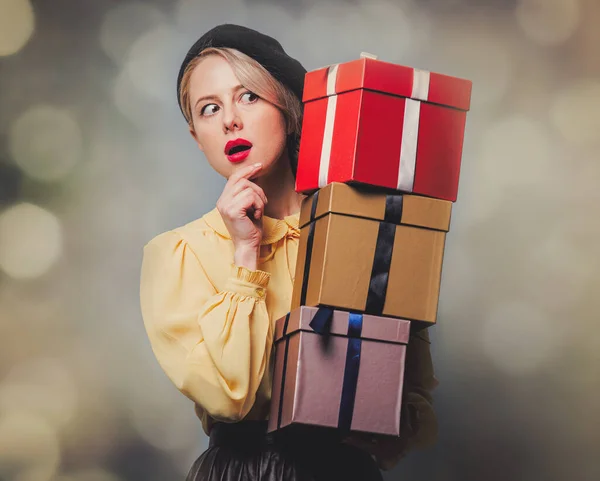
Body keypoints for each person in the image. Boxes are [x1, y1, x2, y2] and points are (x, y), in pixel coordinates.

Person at [139, 24, 439, 481]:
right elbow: (232, 398)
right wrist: (245, 252)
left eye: (249, 97)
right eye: (209, 109)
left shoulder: (357, 226)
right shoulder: (177, 254)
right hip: (243, 471)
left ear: (287, 105)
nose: (229, 121)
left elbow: (410, 387)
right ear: (196, 137)